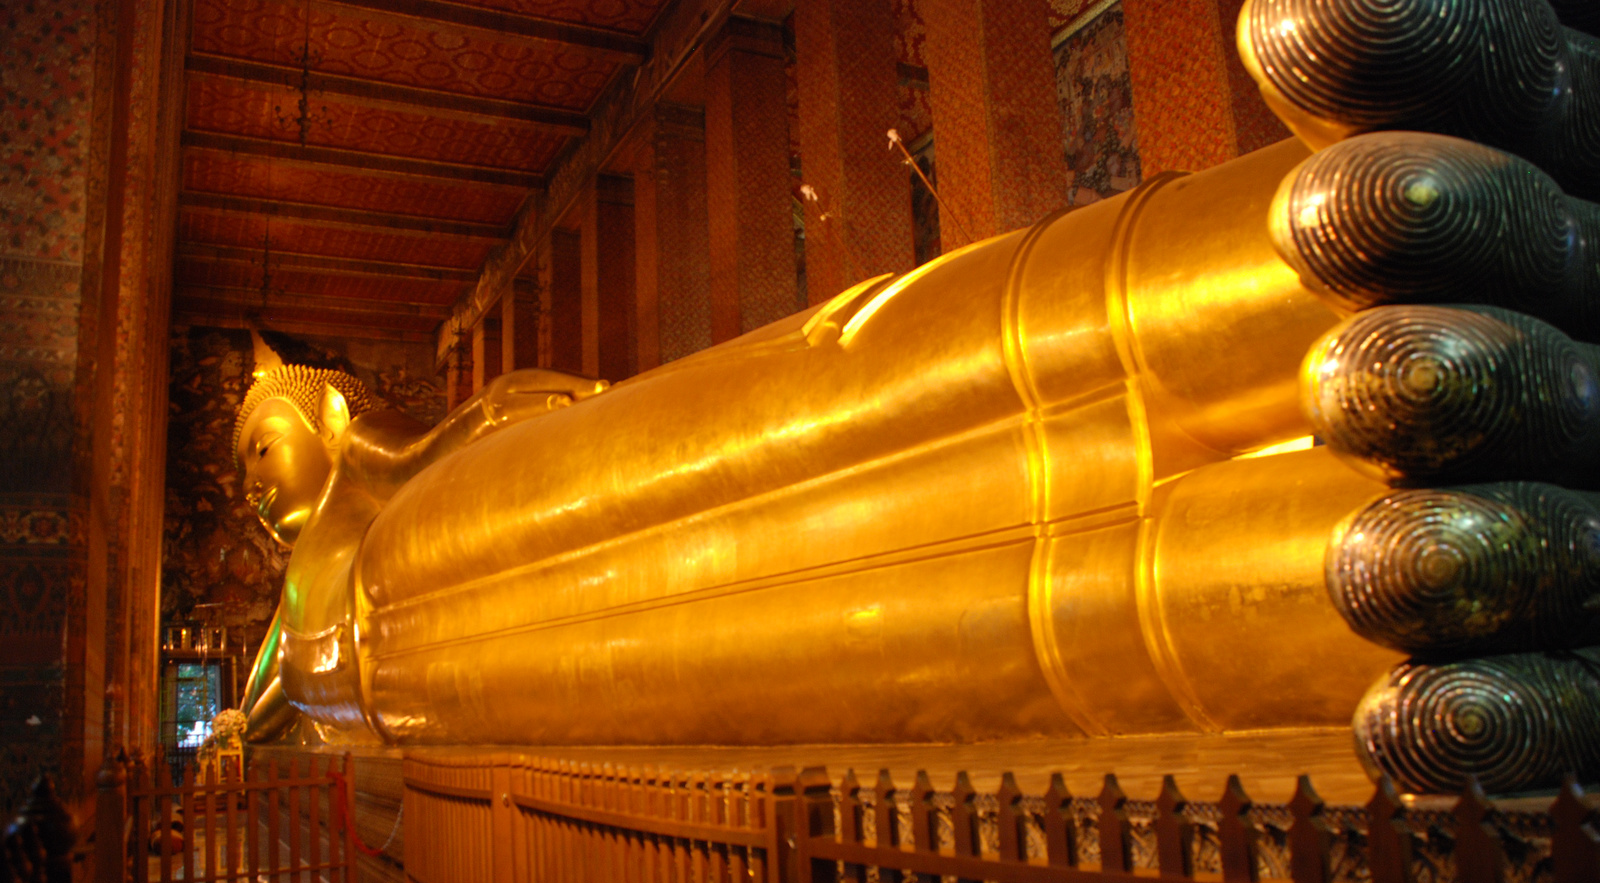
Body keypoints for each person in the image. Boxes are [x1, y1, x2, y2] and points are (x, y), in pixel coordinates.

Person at [233, 0, 1600, 794]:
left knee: (854, 388)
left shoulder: (422, 476)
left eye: (264, 441)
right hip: (456, 656)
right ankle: (1363, 539)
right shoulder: (302, 615)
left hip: (500, 512)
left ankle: (1311, 268)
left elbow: (536, 410)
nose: (255, 484)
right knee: (814, 600)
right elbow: (278, 705)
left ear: (337, 412)